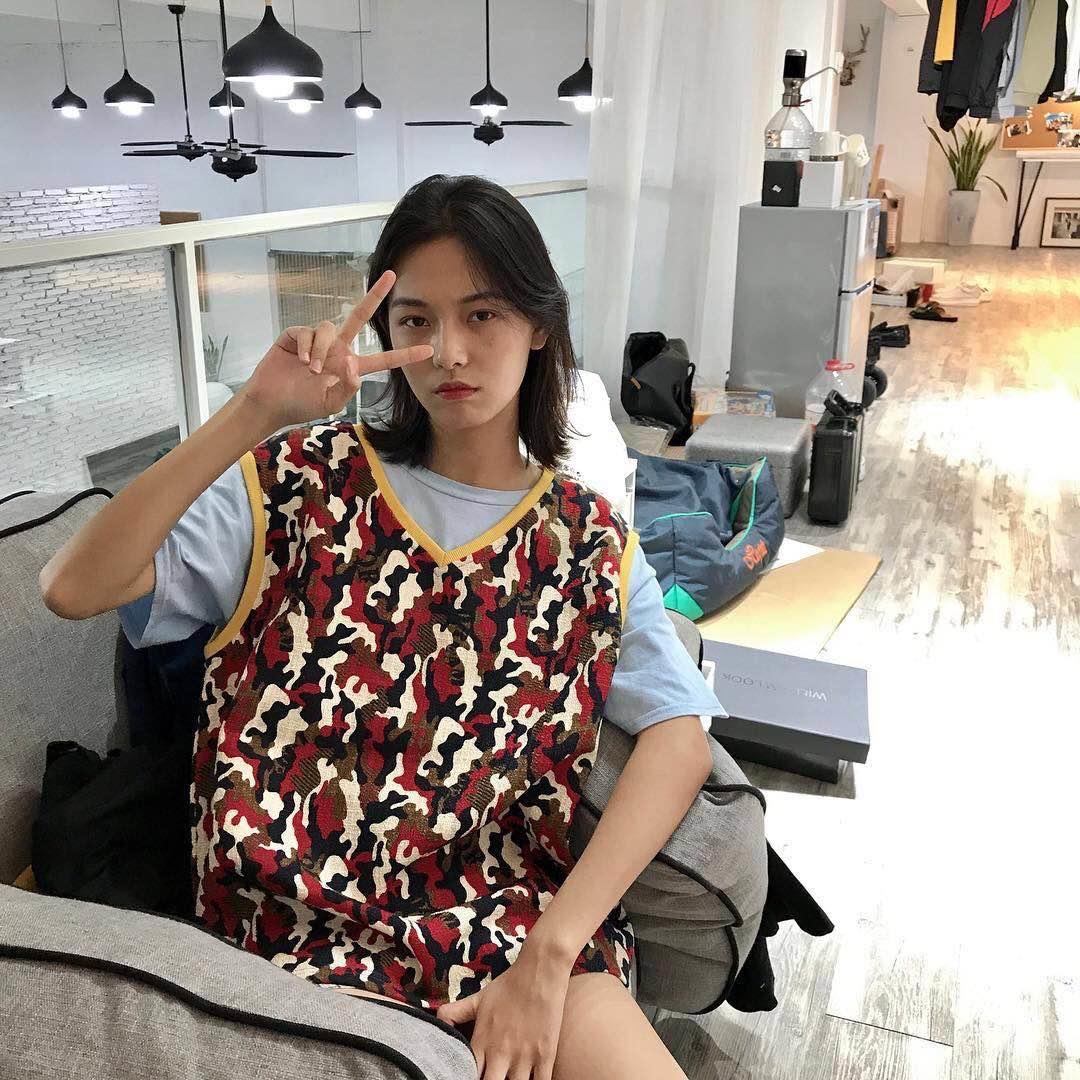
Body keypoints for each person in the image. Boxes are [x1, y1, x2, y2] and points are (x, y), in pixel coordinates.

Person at [40, 174, 724, 1080]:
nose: (449, 351)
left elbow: (679, 738)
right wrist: (254, 412)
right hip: (292, 937)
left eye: (482, 315)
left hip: (509, 926)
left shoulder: (589, 538)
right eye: (415, 321)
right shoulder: (296, 482)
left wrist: (551, 955)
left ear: (539, 324)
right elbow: (72, 586)